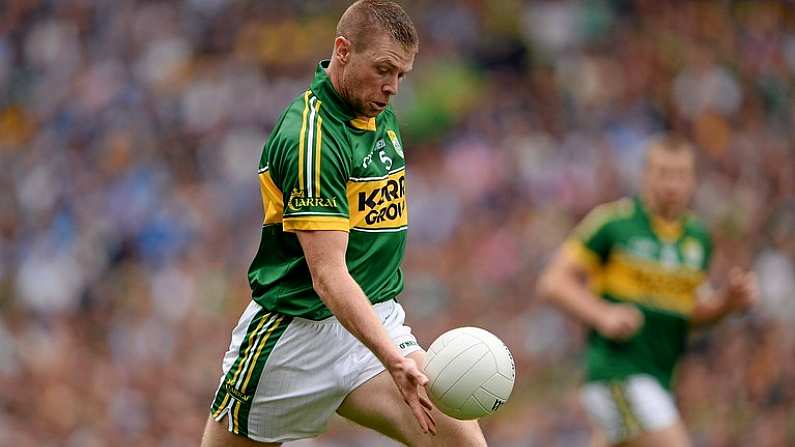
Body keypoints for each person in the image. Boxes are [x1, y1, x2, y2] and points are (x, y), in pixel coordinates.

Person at [200, 1, 486, 446]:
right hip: (293, 339)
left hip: (374, 317)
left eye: (401, 76)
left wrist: (390, 352)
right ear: (343, 50)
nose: (392, 88)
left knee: (461, 441)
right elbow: (328, 277)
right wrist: (393, 360)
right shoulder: (310, 140)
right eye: (384, 69)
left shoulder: (373, 104)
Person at [537, 135, 758, 447]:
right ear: (645, 176)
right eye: (663, 173)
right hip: (618, 372)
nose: (672, 184)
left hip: (660, 377)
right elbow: (552, 282)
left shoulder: (697, 238)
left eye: (680, 175)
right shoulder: (614, 223)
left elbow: (690, 312)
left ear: (692, 181)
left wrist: (727, 303)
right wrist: (603, 314)